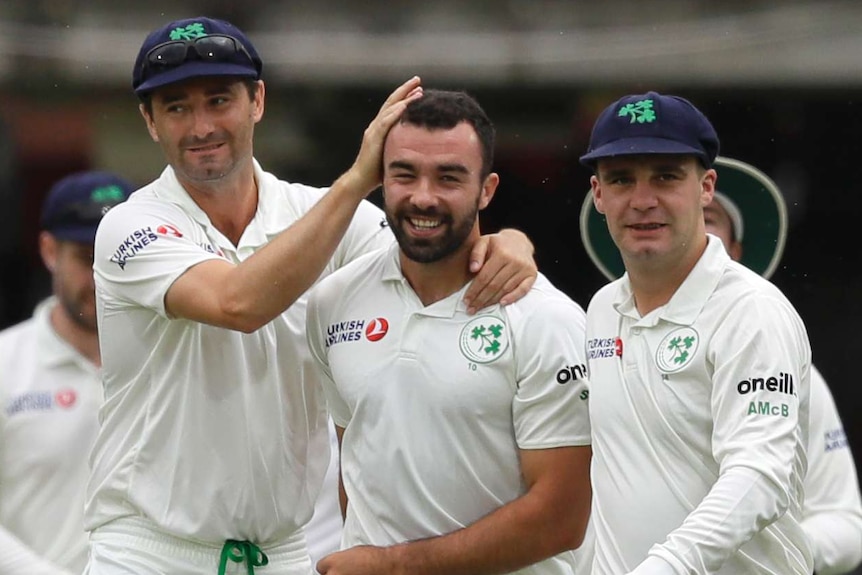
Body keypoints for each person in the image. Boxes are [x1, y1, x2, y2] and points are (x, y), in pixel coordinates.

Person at [84, 16, 538, 575]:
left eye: (219, 100)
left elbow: (435, 260)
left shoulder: (320, 215)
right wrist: (358, 179)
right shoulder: (130, 226)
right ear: (149, 122)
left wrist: (511, 241)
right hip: (149, 555)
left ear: (257, 102)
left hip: (286, 553)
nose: (200, 125)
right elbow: (238, 304)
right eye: (176, 107)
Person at [305, 89, 592, 575]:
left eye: (449, 178)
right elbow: (357, 467)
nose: (423, 196)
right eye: (404, 174)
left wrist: (393, 566)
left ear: (487, 189)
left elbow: (561, 519)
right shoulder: (333, 301)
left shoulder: (547, 320)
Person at [581, 155, 862, 574]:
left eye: (710, 219)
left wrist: (781, 548)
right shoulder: (601, 315)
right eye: (623, 180)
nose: (647, 205)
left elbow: (846, 527)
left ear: (734, 249)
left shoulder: (774, 342)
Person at [0, 171, 133, 575]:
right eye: (86, 256)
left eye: (118, 256)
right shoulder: (5, 364)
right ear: (49, 250)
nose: (102, 276)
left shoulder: (178, 359)